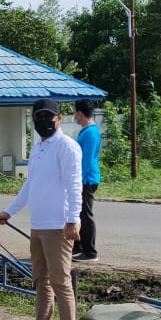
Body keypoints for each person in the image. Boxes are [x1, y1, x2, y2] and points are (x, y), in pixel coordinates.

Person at [0, 98, 83, 320]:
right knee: (41, 280)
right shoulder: (38, 147)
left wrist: (72, 220)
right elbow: (29, 185)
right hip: (39, 224)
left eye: (48, 117)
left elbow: (75, 186)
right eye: (38, 118)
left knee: (60, 281)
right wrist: (10, 210)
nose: (43, 122)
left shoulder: (67, 147)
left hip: (59, 226)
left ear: (59, 118)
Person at [72, 99, 102, 263]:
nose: (74, 116)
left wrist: (78, 180)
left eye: (75, 112)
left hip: (87, 179)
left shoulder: (90, 133)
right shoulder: (87, 131)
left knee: (85, 215)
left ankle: (90, 252)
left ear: (80, 113)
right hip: (84, 178)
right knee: (78, 212)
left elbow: (87, 160)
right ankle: (78, 246)